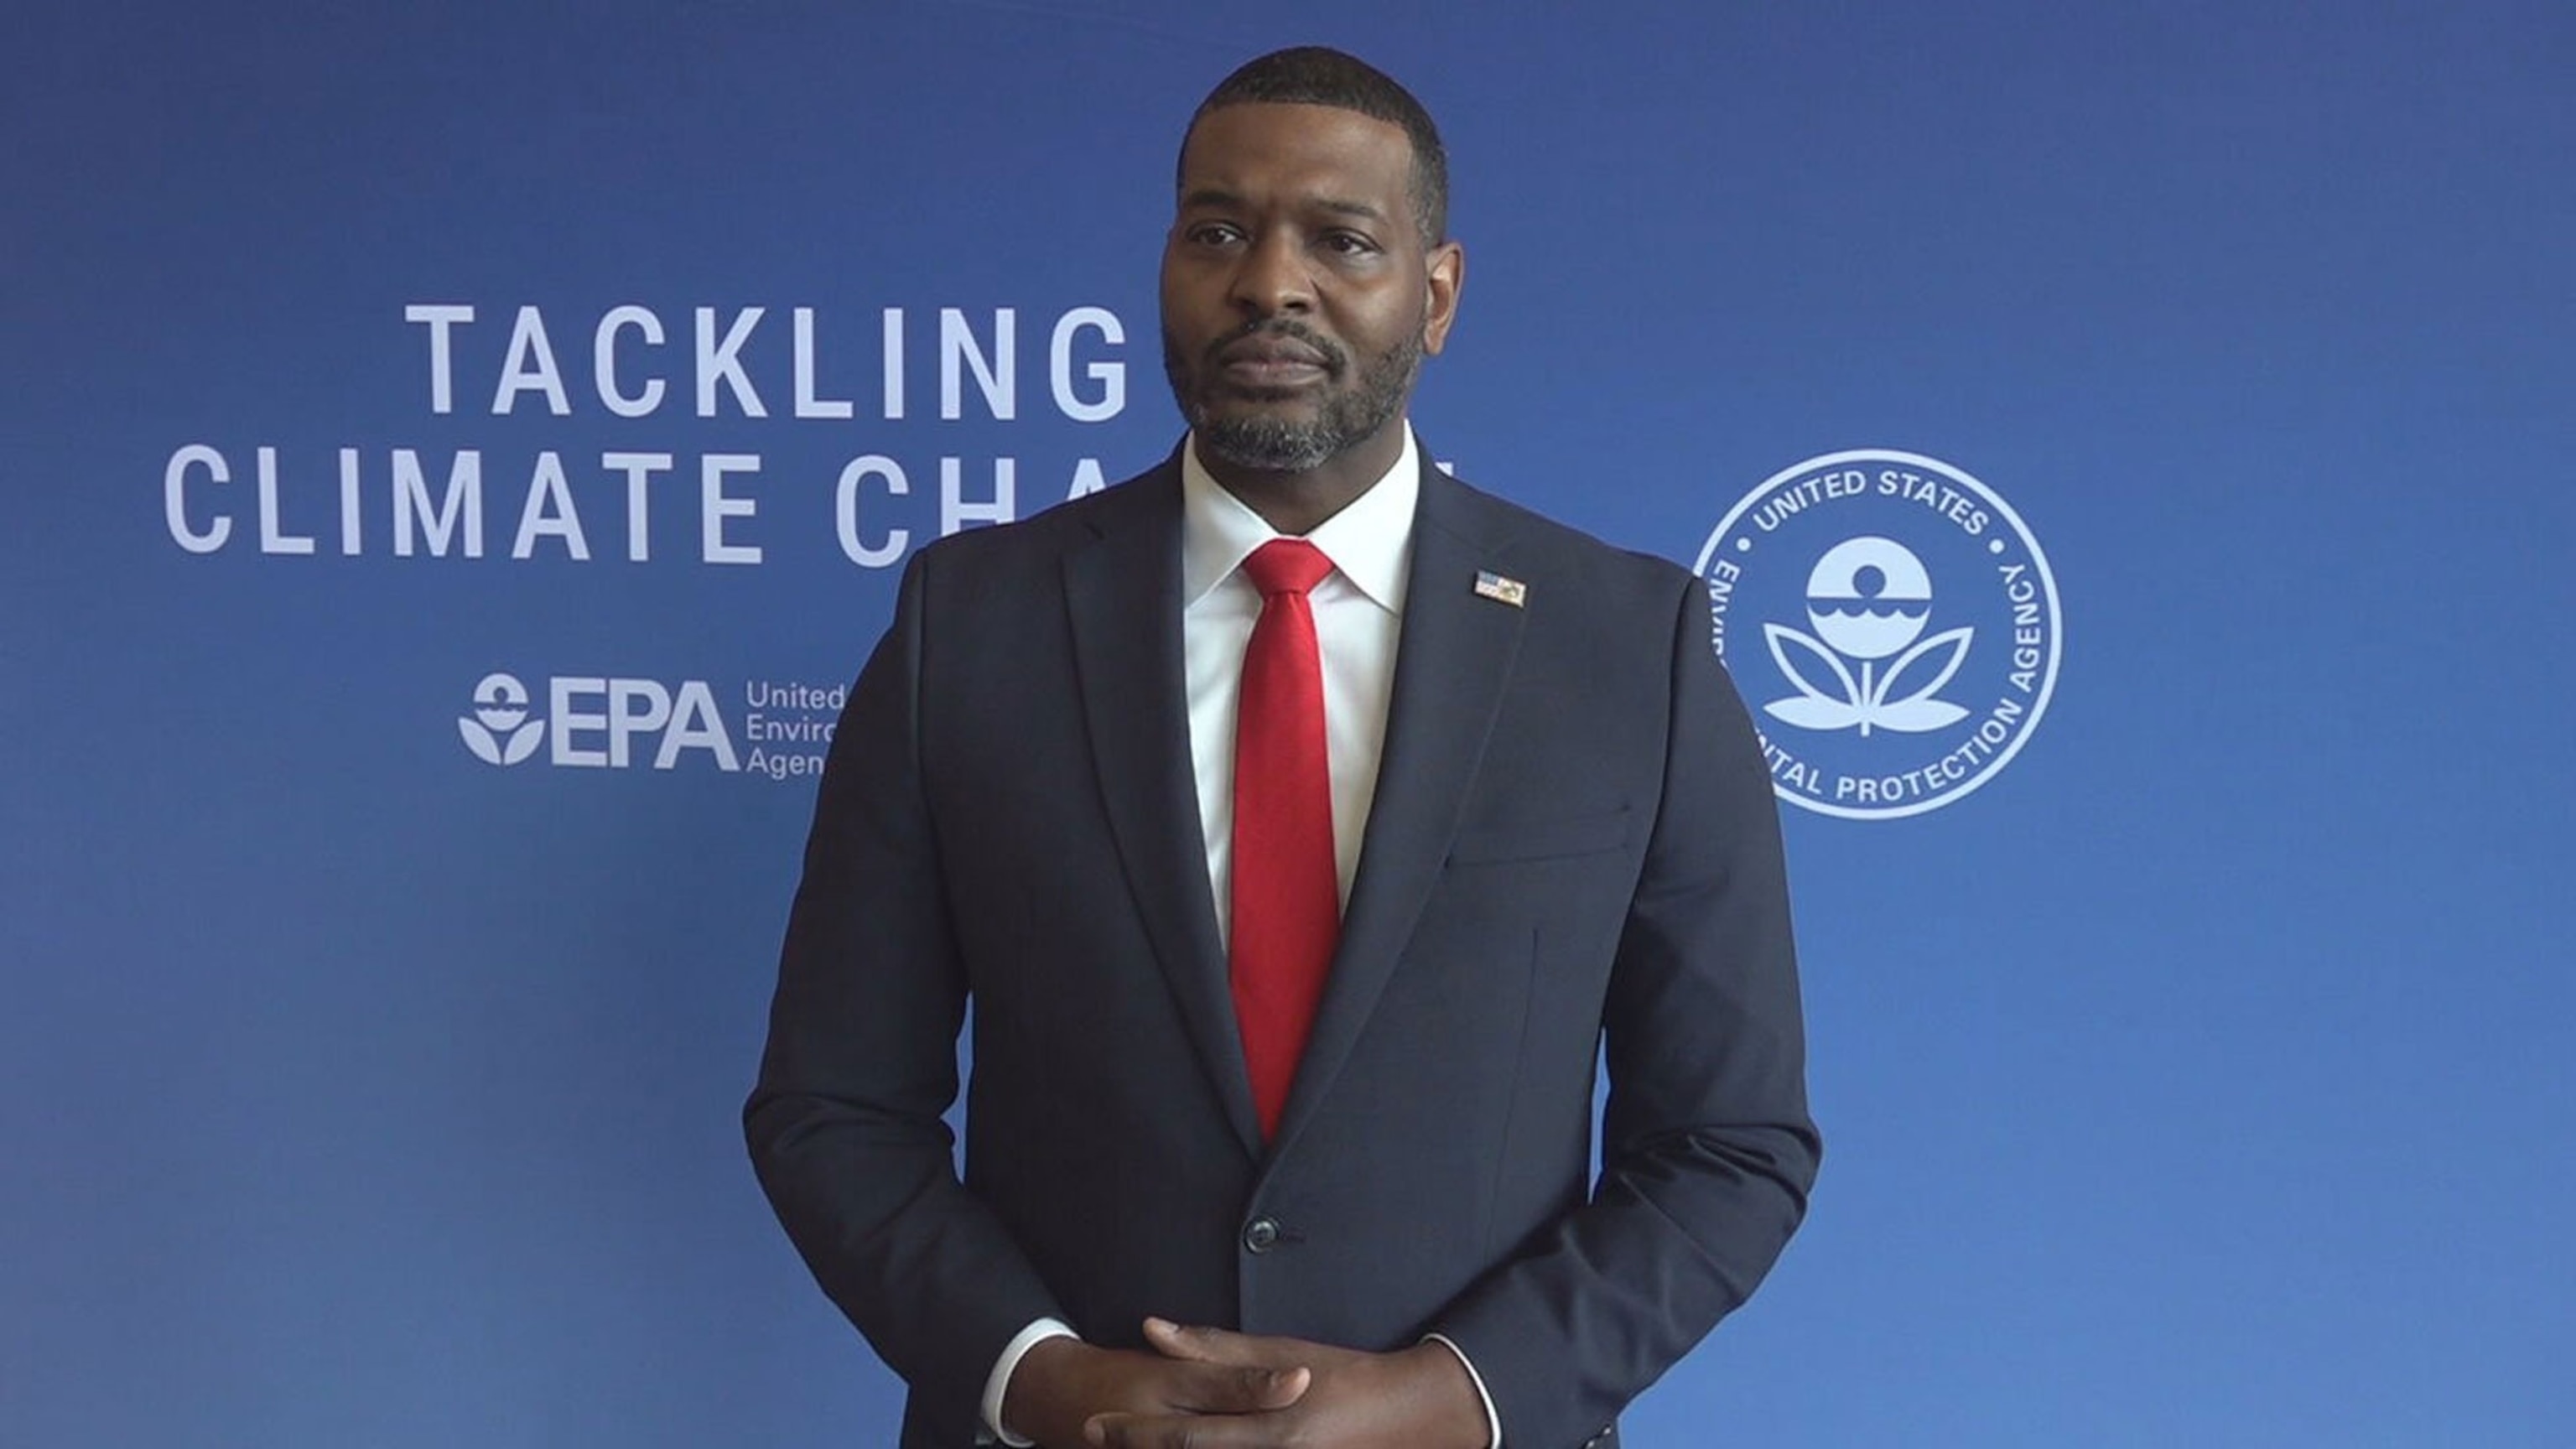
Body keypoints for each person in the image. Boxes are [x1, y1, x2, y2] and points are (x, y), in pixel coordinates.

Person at [745, 45, 1819, 1449]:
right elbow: (834, 1107)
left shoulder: (1633, 649)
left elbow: (1730, 1149)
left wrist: (1453, 1400)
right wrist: (1036, 1377)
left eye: (1341, 239)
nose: (1269, 282)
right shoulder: (972, 625)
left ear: (1435, 296)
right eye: (1217, 231)